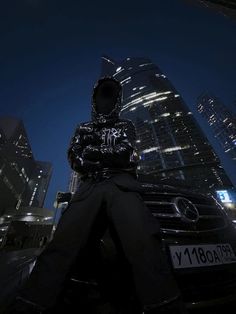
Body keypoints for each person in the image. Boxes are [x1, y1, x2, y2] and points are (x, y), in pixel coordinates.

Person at [7, 77, 187, 314]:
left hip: (121, 185)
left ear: (117, 100)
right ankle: (31, 303)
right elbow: (75, 158)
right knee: (64, 239)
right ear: (94, 99)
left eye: (111, 95)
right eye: (102, 94)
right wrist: (103, 154)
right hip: (90, 186)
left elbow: (128, 154)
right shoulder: (83, 127)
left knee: (141, 237)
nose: (106, 99)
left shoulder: (126, 126)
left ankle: (164, 304)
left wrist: (95, 151)